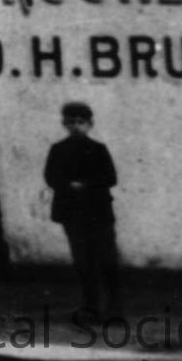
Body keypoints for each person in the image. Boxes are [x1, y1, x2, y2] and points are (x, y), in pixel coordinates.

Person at [44, 101, 122, 322]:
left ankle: (114, 307)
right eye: (71, 122)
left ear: (90, 124)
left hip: (98, 211)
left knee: (107, 259)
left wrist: (86, 184)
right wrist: (68, 185)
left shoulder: (98, 149)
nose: (76, 127)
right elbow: (51, 177)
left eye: (81, 122)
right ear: (64, 124)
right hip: (72, 213)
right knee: (83, 261)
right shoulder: (58, 149)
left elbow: (110, 177)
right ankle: (90, 306)